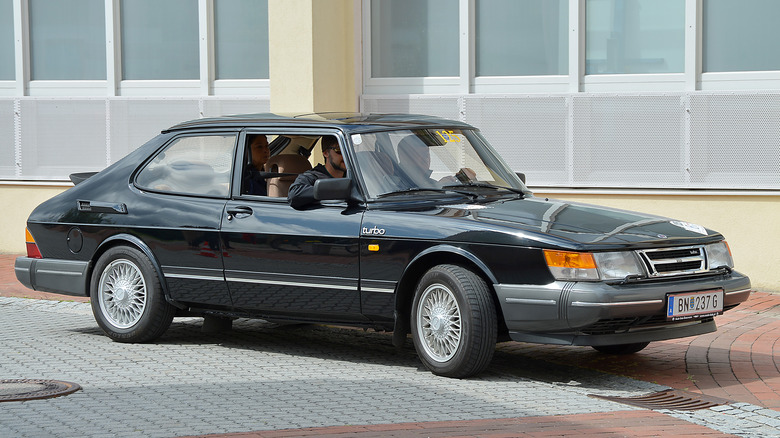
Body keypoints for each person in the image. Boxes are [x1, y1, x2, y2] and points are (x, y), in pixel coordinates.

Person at [287, 136, 346, 209]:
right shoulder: (313, 176)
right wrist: (334, 189)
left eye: (348, 150)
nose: (345, 155)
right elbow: (294, 194)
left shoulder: (355, 176)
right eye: (339, 150)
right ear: (326, 153)